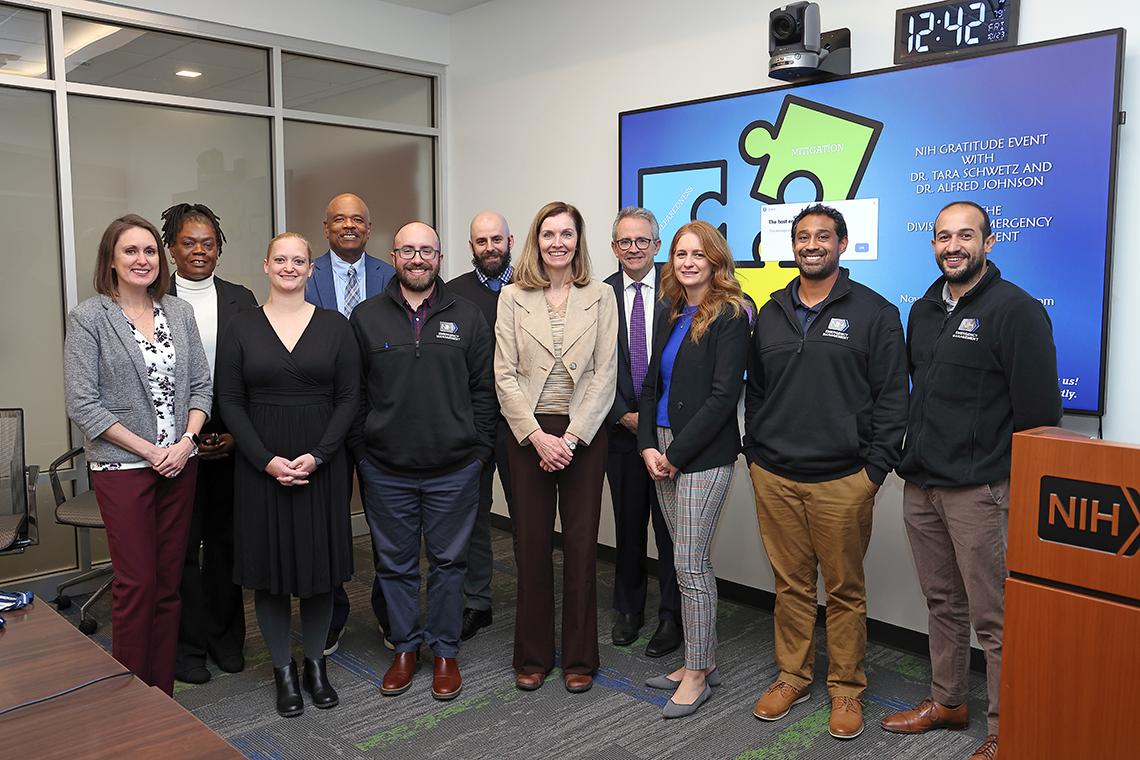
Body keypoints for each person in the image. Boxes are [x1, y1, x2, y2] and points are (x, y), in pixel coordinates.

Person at [880, 201, 1061, 760]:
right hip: (923, 484)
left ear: (989, 241)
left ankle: (1007, 730)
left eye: (965, 235)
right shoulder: (924, 310)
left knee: (995, 618)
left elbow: (1039, 414)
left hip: (980, 491)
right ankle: (948, 701)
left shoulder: (1017, 311)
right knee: (942, 602)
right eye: (942, 236)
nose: (952, 245)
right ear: (932, 244)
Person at [744, 203, 908, 740]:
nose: (811, 245)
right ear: (793, 246)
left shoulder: (876, 313)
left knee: (842, 589)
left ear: (842, 244)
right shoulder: (770, 311)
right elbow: (759, 390)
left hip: (844, 480)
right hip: (775, 475)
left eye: (823, 236)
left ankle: (845, 688)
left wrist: (874, 471)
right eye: (803, 237)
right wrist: (755, 454)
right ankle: (792, 676)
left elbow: (891, 399)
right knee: (790, 585)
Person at [63, 213, 212, 696]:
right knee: (136, 586)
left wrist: (186, 444)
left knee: (169, 585)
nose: (142, 259)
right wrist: (151, 450)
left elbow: (201, 387)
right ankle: (128, 700)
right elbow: (82, 402)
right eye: (130, 251)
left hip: (179, 465)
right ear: (111, 258)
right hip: (124, 468)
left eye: (149, 250)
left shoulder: (178, 313)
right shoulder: (90, 317)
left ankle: (160, 693)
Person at [348, 222, 496, 701]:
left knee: (451, 564)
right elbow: (355, 394)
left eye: (427, 251)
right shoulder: (365, 317)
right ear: (393, 255)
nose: (417, 258)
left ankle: (446, 650)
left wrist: (477, 452)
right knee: (394, 566)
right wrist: (364, 454)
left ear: (440, 257)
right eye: (408, 250)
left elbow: (483, 391)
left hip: (454, 469)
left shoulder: (469, 316)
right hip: (386, 470)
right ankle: (406, 648)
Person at [217, 232, 359, 718]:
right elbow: (229, 402)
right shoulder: (240, 327)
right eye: (281, 259)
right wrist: (265, 460)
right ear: (265, 265)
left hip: (322, 466)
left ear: (311, 269)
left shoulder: (337, 327)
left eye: (299, 260)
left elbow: (349, 398)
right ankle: (283, 670)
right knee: (271, 574)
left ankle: (315, 664)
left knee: (319, 573)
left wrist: (319, 455)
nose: (290, 267)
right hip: (261, 466)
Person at [494, 201, 617, 693]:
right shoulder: (512, 296)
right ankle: (533, 655)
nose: (557, 242)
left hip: (583, 434)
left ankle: (581, 658)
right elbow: (503, 373)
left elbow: (606, 373)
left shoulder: (601, 295)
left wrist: (570, 437)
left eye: (567, 234)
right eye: (549, 234)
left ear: (577, 240)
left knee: (583, 547)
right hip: (529, 434)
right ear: (536, 240)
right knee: (532, 545)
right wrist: (537, 436)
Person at [637, 220, 750, 718]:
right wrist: (647, 447)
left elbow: (725, 397)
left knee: (688, 564)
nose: (686, 262)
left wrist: (675, 455)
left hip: (699, 454)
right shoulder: (671, 309)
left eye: (697, 255)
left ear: (715, 260)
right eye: (680, 254)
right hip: (660, 447)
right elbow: (648, 386)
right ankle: (696, 660)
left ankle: (699, 674)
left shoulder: (731, 314)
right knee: (686, 564)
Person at [162, 202, 257, 685]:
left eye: (208, 243)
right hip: (171, 443)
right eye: (188, 242)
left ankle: (226, 641)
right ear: (171, 247)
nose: (199, 251)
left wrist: (237, 432)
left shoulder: (241, 298)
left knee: (225, 545)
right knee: (181, 551)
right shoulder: (153, 296)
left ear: (219, 248)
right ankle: (188, 649)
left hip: (229, 436)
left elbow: (251, 372)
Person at [305, 192, 395, 655]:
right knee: (328, 521)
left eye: (357, 219)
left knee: (387, 522)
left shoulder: (390, 274)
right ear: (326, 228)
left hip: (380, 414)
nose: (348, 226)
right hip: (323, 417)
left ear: (368, 226)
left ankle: (389, 613)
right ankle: (332, 615)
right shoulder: (306, 274)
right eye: (339, 219)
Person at [604, 207, 682, 657]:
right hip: (619, 431)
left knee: (669, 529)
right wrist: (622, 415)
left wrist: (653, 421)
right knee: (628, 525)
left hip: (668, 432)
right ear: (614, 248)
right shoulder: (598, 295)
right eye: (624, 242)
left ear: (656, 244)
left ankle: (670, 616)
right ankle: (629, 610)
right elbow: (592, 366)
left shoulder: (680, 291)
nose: (633, 249)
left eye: (641, 241)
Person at [448, 211, 517, 641]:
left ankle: (533, 598)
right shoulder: (453, 293)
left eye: (496, 239)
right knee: (472, 516)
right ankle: (478, 602)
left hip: (523, 426)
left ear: (510, 240)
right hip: (471, 423)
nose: (489, 247)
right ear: (471, 246)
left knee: (529, 515)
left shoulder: (534, 285)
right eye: (481, 241)